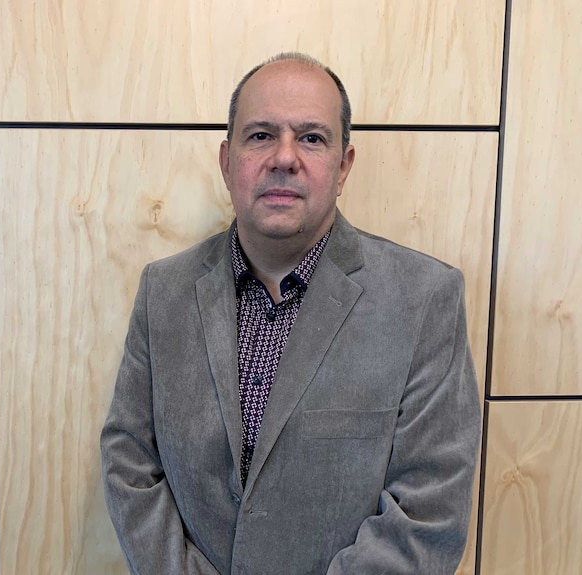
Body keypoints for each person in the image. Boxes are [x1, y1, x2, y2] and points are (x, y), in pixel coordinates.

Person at [100, 52, 481, 574]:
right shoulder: (163, 292)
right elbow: (130, 461)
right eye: (260, 135)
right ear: (226, 160)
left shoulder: (424, 301)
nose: (284, 157)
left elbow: (427, 512)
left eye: (311, 137)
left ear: (343, 166)